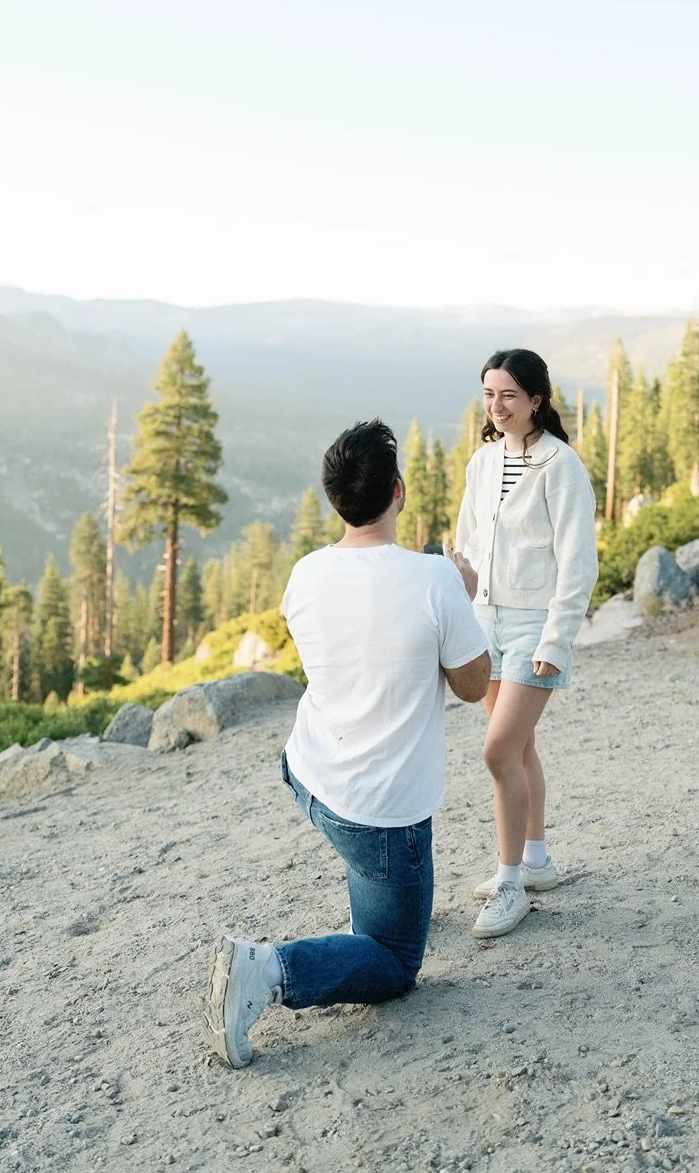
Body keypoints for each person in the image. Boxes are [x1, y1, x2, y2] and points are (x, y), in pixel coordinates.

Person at [204, 418, 491, 1069]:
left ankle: (379, 911)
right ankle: (266, 971)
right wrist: (464, 597)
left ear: (336, 499)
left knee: (375, 883)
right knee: (392, 962)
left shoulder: (304, 575)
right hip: (380, 815)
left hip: (307, 774)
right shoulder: (434, 580)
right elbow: (474, 686)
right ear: (398, 492)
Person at [455, 349, 598, 941]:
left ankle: (509, 882)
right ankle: (536, 861)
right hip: (487, 622)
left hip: (536, 627)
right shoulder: (482, 464)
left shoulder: (561, 466)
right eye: (490, 394)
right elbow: (465, 544)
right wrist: (459, 618)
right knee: (519, 749)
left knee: (497, 753)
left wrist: (557, 639)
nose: (497, 406)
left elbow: (577, 563)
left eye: (509, 395)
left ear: (536, 399)